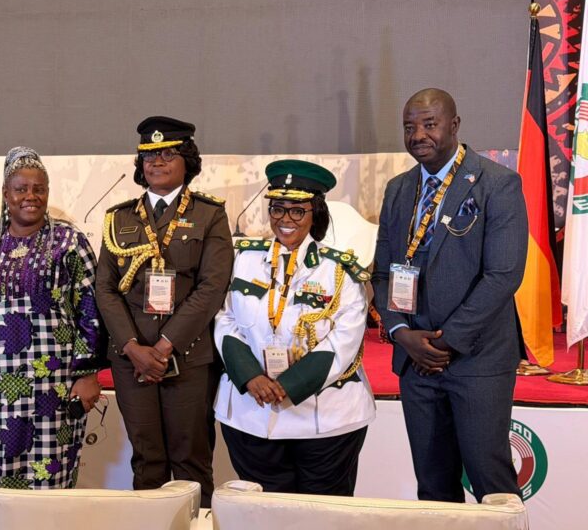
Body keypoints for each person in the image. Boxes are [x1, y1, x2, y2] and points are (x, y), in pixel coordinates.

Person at [373, 88, 527, 502]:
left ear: (454, 126)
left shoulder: (498, 183)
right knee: (433, 485)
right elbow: (382, 273)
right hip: (414, 361)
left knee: (490, 479)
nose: (418, 134)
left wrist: (445, 342)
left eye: (429, 124)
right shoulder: (398, 189)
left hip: (476, 359)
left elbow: (504, 275)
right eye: (409, 127)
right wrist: (402, 333)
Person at [0, 147, 104, 489]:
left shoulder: (70, 243)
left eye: (39, 189)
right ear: (6, 195)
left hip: (54, 388)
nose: (31, 196)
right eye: (21, 189)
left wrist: (88, 374)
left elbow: (92, 310)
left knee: (50, 485)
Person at [214, 159, 375, 496]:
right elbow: (226, 319)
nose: (285, 220)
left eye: (297, 211)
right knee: (262, 513)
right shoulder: (242, 258)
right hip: (250, 412)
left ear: (315, 213)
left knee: (322, 514)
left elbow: (346, 338)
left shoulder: (339, 270)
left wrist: (289, 385)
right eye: (277, 209)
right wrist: (250, 376)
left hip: (325, 419)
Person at [96, 116, 233, 506]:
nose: (156, 162)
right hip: (132, 359)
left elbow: (212, 286)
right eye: (149, 155)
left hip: (187, 357)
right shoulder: (118, 217)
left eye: (167, 153)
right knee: (147, 460)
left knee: (190, 460)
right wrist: (133, 347)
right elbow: (104, 287)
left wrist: (167, 344)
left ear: (187, 160)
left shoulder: (210, 215)